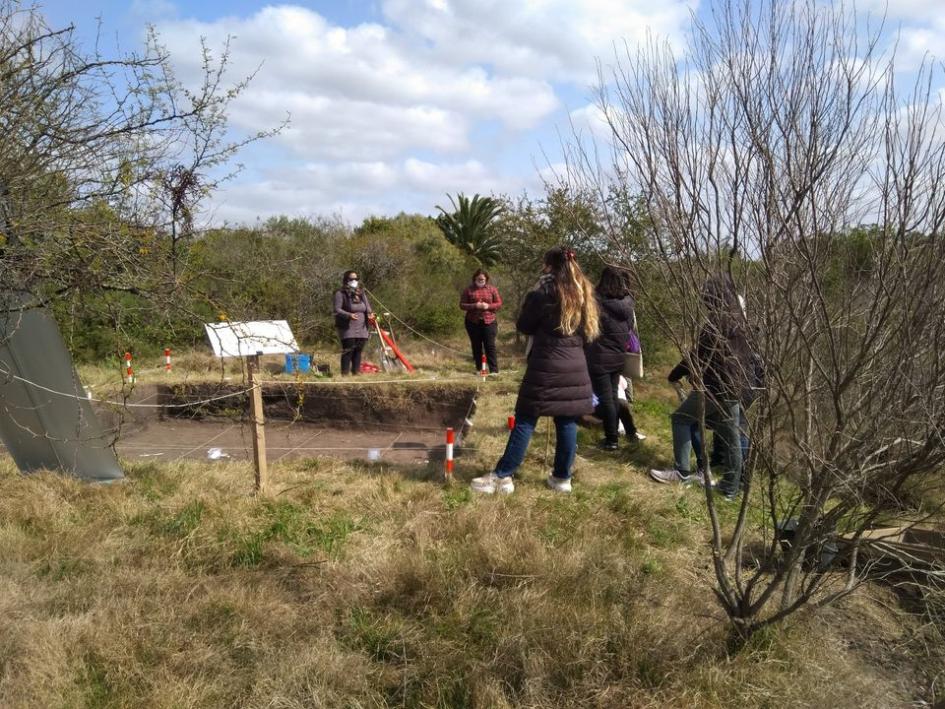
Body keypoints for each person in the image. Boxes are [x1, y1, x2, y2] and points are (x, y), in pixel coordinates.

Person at [471, 246, 599, 495]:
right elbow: (587, 332)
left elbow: (525, 325)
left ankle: (502, 476)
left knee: (526, 419)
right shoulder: (584, 293)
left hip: (547, 365)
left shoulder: (543, 294)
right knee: (567, 421)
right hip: (576, 365)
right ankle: (562, 478)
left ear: (549, 266)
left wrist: (533, 294)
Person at [649, 274, 750, 500]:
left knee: (681, 418)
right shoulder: (741, 321)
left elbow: (698, 354)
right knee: (730, 435)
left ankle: (681, 472)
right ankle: (730, 489)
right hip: (736, 386)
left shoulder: (717, 322)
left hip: (715, 386)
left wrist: (676, 373)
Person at [585, 266, 645, 450]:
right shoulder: (628, 303)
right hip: (618, 356)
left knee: (605, 399)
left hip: (599, 356)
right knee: (611, 396)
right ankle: (628, 431)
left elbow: (588, 327)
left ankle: (612, 440)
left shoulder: (597, 302)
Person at [459, 269, 503, 374]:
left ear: (486, 279)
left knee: (490, 345)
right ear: (475, 278)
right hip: (472, 322)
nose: (481, 280)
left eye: (483, 279)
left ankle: (494, 371)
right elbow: (462, 305)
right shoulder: (468, 290)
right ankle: (479, 369)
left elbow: (499, 303)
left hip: (489, 321)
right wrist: (475, 305)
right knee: (476, 345)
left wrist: (488, 306)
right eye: (478, 278)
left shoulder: (492, 289)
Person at [333, 270, 374, 376]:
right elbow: (337, 309)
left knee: (358, 350)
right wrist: (349, 315)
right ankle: (345, 374)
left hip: (362, 326)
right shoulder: (340, 293)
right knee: (348, 351)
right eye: (351, 279)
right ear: (346, 280)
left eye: (356, 279)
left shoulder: (361, 292)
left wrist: (370, 314)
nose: (354, 281)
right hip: (348, 327)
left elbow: (367, 307)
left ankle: (356, 372)